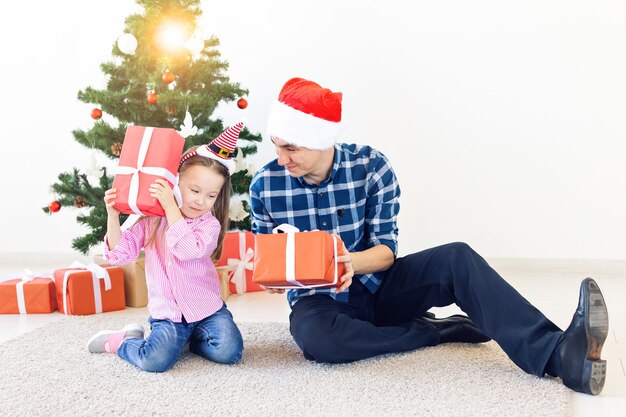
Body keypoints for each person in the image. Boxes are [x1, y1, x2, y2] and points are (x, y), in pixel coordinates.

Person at [249, 77, 609, 395]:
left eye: (291, 148)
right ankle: (435, 332)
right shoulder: (265, 185)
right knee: (319, 343)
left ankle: (560, 354)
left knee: (456, 257)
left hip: (376, 283)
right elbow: (267, 260)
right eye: (276, 145)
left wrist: (350, 264)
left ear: (320, 140)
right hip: (318, 301)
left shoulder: (372, 167)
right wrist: (273, 279)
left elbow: (386, 251)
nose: (280, 158)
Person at [86, 123, 246, 373]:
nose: (201, 201)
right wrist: (112, 216)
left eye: (211, 195)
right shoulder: (152, 221)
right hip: (169, 315)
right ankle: (122, 342)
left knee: (230, 352)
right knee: (154, 362)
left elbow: (188, 251)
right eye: (194, 190)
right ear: (174, 182)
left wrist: (171, 208)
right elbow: (120, 253)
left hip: (207, 310)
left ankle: (188, 342)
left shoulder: (209, 224)